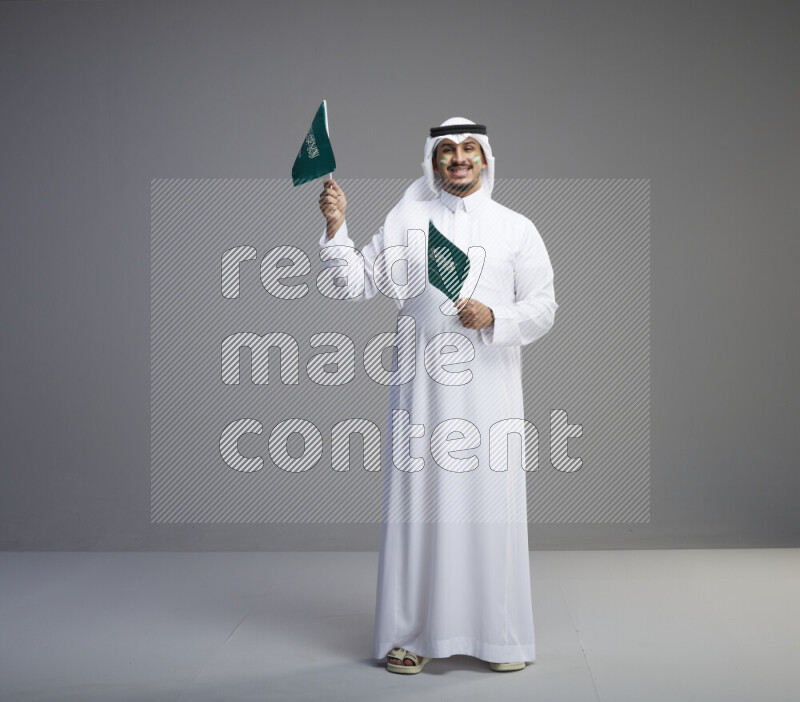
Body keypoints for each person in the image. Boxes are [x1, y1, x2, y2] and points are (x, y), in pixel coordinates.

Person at [317, 117, 558, 674]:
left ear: (485, 159)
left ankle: (497, 636)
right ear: (432, 161)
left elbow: (544, 306)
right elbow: (353, 285)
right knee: (418, 509)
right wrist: (337, 227)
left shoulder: (515, 228)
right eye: (447, 150)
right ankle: (410, 636)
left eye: (469, 149)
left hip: (489, 395)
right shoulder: (406, 221)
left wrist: (497, 315)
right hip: (420, 394)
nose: (458, 158)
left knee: (488, 506)